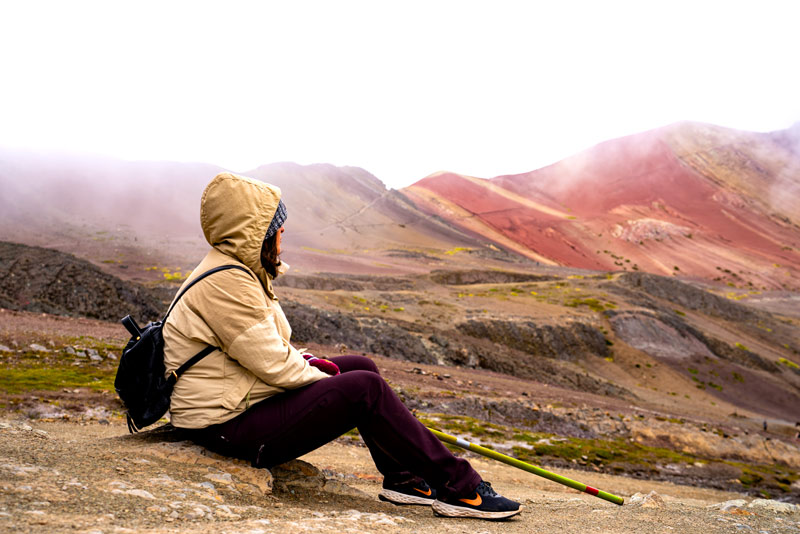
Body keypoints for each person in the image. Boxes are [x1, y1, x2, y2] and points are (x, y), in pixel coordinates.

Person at [162, 172, 522, 520]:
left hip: (234, 405)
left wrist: (315, 365)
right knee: (364, 389)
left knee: (360, 366)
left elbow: (265, 349)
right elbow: (273, 364)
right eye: (277, 230)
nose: (283, 237)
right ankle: (460, 487)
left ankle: (404, 480)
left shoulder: (234, 271)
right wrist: (320, 374)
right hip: (223, 427)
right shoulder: (227, 282)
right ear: (256, 233)